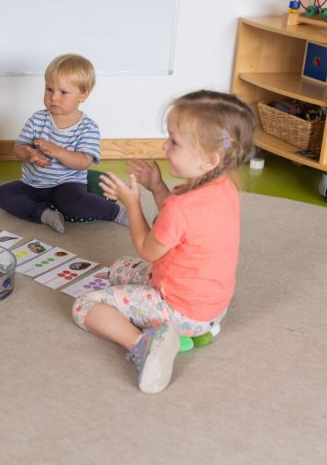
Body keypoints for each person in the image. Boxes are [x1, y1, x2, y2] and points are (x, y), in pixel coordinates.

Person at [72, 90, 256, 394]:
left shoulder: (180, 207)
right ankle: (191, 333)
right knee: (118, 268)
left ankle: (144, 344)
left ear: (209, 159)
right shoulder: (223, 185)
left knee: (85, 305)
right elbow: (180, 228)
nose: (164, 146)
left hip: (179, 310)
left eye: (174, 142)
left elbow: (147, 248)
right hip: (211, 307)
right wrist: (157, 187)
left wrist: (132, 203)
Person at [0, 53, 128, 233]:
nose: (54, 97)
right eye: (49, 89)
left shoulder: (87, 127)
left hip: (68, 184)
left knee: (74, 204)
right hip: (33, 184)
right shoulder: (37, 119)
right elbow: (18, 148)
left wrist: (57, 151)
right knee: (4, 194)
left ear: (83, 95)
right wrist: (29, 154)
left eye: (63, 92)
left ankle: (115, 212)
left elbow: (83, 162)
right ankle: (44, 214)